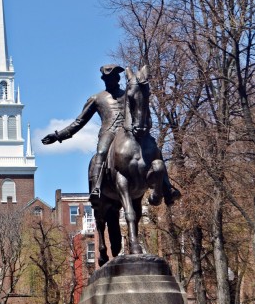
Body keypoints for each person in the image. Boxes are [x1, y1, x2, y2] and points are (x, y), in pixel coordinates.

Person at [42, 64, 181, 208]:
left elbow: (141, 108)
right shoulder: (97, 98)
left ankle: (167, 188)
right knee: (101, 153)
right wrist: (58, 136)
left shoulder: (129, 93)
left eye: (115, 76)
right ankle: (96, 188)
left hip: (130, 132)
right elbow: (79, 122)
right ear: (104, 79)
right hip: (109, 132)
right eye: (109, 77)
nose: (113, 79)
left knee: (155, 150)